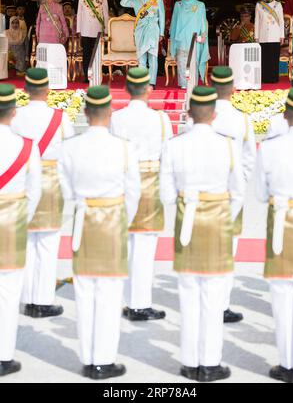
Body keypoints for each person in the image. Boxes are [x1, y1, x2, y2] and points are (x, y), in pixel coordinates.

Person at [160, 85, 244, 382]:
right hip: (218, 223)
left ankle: (189, 361)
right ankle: (210, 362)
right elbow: (238, 193)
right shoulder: (229, 145)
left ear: (189, 113)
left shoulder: (174, 144)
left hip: (187, 223)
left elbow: (167, 195)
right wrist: (221, 216)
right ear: (214, 113)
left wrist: (189, 202)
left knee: (188, 294)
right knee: (213, 293)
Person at [59, 85, 140, 379]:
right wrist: (122, 218)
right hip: (113, 220)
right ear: (108, 112)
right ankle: (104, 360)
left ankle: (88, 358)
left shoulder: (70, 147)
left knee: (84, 291)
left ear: (85, 112)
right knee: (109, 291)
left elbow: (66, 189)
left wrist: (84, 204)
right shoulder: (124, 148)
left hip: (83, 220)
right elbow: (134, 192)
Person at [11, 68, 74, 318]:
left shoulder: (16, 117)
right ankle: (42, 300)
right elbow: (69, 153)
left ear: (25, 90)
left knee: (25, 242)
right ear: (47, 90)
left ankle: (26, 298)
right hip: (50, 181)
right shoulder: (59, 117)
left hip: (23, 182)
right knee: (48, 243)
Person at [110, 67, 173, 321]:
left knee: (126, 245)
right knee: (145, 248)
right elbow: (167, 158)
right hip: (150, 182)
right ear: (148, 90)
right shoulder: (161, 119)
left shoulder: (117, 118)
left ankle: (128, 300)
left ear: (126, 90)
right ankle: (140, 303)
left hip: (125, 182)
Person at [256, 85, 293, 384]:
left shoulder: (271, 148)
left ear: (286, 115)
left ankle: (288, 363)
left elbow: (260, 194)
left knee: (283, 294)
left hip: (283, 219)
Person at [0, 84, 41, 377]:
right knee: (9, 289)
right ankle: (3, 355)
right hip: (13, 220)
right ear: (14, 113)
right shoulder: (26, 146)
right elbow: (34, 192)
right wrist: (22, 217)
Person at [210, 66, 256, 322]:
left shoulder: (204, 118)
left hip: (204, 192)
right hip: (231, 192)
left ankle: (205, 301)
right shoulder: (242, 119)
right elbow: (250, 158)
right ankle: (222, 304)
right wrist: (240, 179)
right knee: (229, 248)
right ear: (234, 90)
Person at [120, 0, 165, 89]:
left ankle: (152, 82)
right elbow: (123, 3)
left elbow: (162, 17)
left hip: (153, 30)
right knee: (141, 57)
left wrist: (162, 33)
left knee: (153, 56)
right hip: (140, 31)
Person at [170, 0, 209, 89]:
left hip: (194, 39)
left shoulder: (200, 5)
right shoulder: (178, 5)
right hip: (181, 39)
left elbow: (203, 22)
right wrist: (172, 39)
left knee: (193, 63)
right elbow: (174, 23)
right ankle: (183, 84)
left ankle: (193, 84)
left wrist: (203, 35)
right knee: (182, 63)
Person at [77, 0, 109, 83]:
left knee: (96, 55)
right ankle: (86, 76)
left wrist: (106, 31)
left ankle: (96, 75)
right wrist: (79, 30)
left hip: (97, 30)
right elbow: (79, 14)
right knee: (86, 54)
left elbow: (105, 15)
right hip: (85, 30)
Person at [255, 0, 284, 83]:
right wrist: (256, 36)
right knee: (264, 58)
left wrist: (282, 36)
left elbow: (281, 20)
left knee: (273, 57)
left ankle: (273, 78)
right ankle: (264, 78)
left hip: (275, 35)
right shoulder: (259, 5)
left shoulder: (278, 4)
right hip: (263, 35)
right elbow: (257, 21)